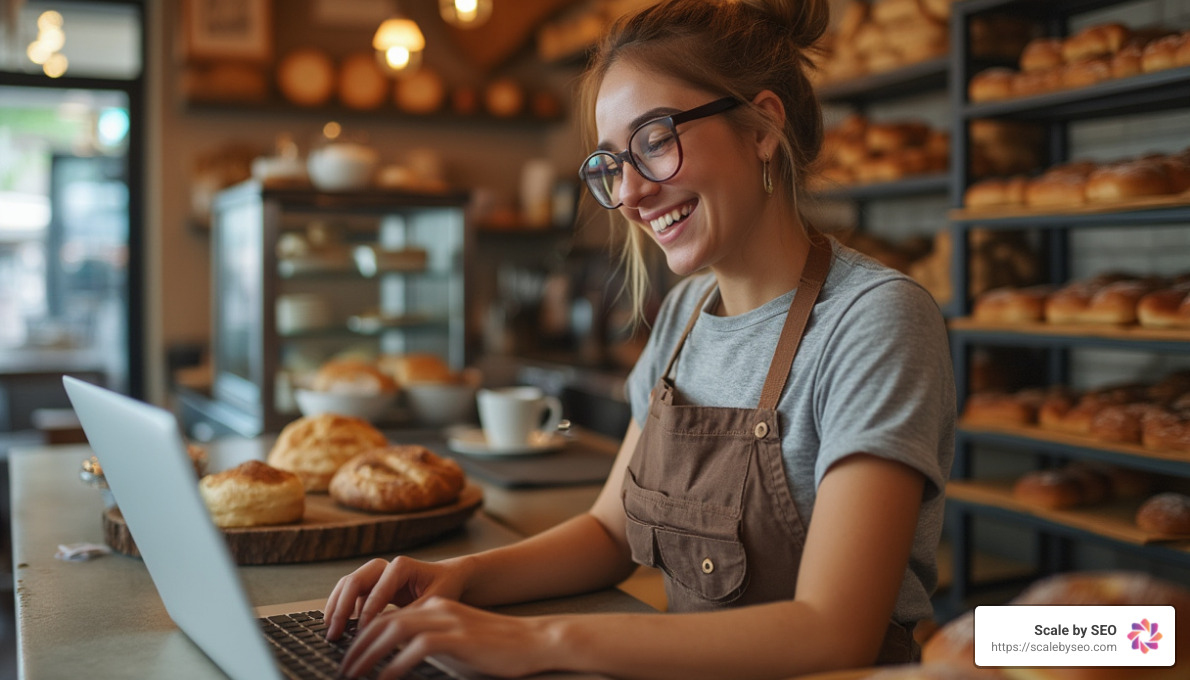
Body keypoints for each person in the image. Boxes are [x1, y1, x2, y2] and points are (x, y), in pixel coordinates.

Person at [324, 1, 956, 677]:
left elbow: (833, 632)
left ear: (764, 125)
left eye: (655, 140)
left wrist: (541, 643)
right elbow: (609, 531)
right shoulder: (686, 314)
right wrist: (458, 577)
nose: (628, 194)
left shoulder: (874, 321)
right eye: (611, 163)